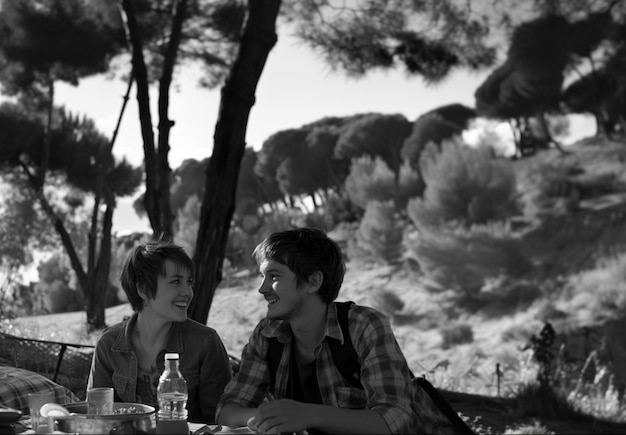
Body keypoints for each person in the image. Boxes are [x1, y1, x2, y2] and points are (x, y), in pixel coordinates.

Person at [216, 227, 445, 434]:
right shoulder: (267, 335)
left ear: (313, 281)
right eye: (262, 276)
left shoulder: (364, 326)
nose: (262, 288)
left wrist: (309, 415)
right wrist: (272, 418)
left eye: (274, 276)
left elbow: (394, 418)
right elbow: (227, 410)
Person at [88, 240, 232, 424]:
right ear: (143, 289)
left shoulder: (206, 343)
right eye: (176, 282)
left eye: (189, 282)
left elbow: (219, 422)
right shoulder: (108, 344)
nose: (188, 292)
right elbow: (98, 418)